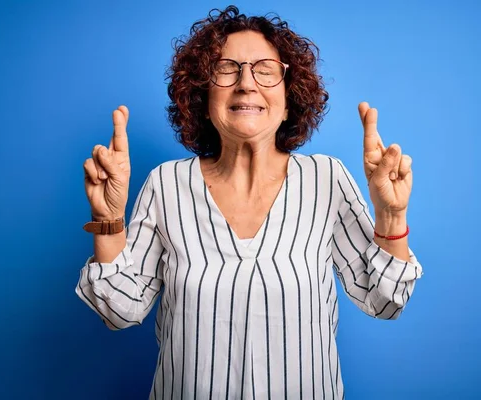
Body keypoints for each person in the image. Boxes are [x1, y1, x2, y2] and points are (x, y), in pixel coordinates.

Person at [76, 5, 423, 399]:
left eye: (265, 69)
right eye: (227, 68)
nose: (246, 83)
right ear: (203, 95)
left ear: (289, 98)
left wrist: (392, 214)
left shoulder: (326, 180)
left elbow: (384, 299)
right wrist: (108, 219)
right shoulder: (166, 185)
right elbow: (118, 309)